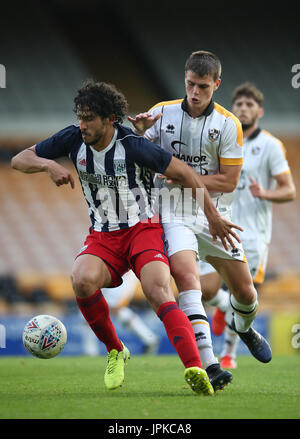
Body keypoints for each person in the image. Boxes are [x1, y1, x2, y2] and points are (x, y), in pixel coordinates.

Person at [11, 80, 241, 395]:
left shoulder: (133, 145)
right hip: (104, 236)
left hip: (143, 230)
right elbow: (19, 159)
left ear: (109, 119)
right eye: (79, 116)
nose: (82, 125)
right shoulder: (72, 138)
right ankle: (115, 349)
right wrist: (47, 164)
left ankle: (195, 369)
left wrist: (213, 218)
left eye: (89, 118)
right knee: (80, 280)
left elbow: (185, 173)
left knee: (157, 290)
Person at [128, 51, 273, 382]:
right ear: (184, 79)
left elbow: (229, 180)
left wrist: (181, 174)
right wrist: (138, 134)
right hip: (174, 213)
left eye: (203, 87)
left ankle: (243, 328)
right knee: (190, 283)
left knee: (247, 295)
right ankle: (210, 364)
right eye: (191, 84)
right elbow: (136, 156)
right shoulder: (160, 113)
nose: (195, 92)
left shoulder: (227, 124)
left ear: (216, 85)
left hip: (217, 217)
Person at [201, 83, 296, 368]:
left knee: (242, 294)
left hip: (252, 234)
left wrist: (265, 193)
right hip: (219, 224)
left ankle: (229, 354)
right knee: (206, 290)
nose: (243, 109)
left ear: (260, 111)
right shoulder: (222, 139)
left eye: (249, 105)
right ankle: (222, 310)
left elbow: (289, 190)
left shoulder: (270, 145)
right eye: (239, 105)